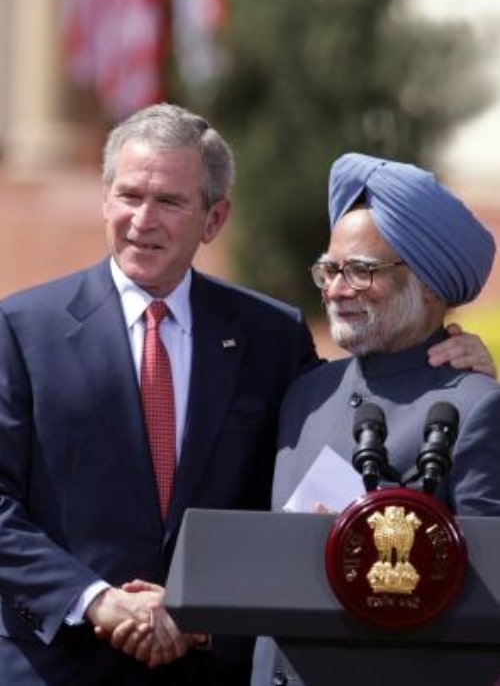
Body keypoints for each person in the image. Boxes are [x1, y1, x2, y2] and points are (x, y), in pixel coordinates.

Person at [0, 108, 491, 686]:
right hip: (55, 664)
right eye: (129, 195)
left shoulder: (272, 340)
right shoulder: (21, 329)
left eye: (170, 202)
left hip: (215, 667)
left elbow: (341, 437)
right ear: (106, 198)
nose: (142, 220)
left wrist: (461, 365)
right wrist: (96, 600)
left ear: (214, 219)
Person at [252, 152, 500, 686]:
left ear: (429, 285)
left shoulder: (475, 406)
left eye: (362, 271)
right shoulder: (306, 394)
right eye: (330, 269)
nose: (337, 290)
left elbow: (489, 600)